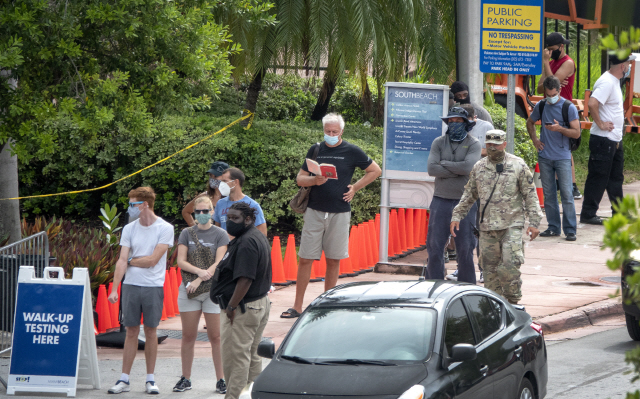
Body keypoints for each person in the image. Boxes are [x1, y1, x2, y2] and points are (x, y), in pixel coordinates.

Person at [280, 113, 381, 318]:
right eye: (328, 132)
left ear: (342, 131)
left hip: (340, 212)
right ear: (324, 130)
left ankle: (327, 304)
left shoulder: (352, 150)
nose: (331, 135)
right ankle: (297, 306)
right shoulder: (316, 149)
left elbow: (375, 170)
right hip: (315, 210)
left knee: (334, 259)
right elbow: (300, 179)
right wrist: (314, 181)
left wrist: (355, 188)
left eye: (335, 132)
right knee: (306, 257)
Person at [450, 130, 543, 304]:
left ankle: (513, 302)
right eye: (489, 144)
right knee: (489, 270)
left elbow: (530, 195)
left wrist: (534, 222)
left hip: (511, 225)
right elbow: (469, 194)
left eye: (496, 144)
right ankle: (494, 305)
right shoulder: (479, 167)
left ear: (504, 144)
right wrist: (457, 215)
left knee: (509, 265)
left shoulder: (518, 166)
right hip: (487, 228)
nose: (493, 148)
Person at [107, 187, 174, 394]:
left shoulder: (165, 228)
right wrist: (114, 288)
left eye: (133, 204)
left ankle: (150, 379)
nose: (130, 208)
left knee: (151, 331)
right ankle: (124, 379)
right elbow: (121, 260)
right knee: (131, 331)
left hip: (153, 286)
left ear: (145, 204)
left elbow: (153, 261)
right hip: (131, 286)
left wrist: (130, 260)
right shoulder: (129, 228)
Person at [209, 202, 272, 399]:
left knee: (236, 359)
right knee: (252, 357)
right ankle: (253, 395)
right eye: (228, 218)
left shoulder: (246, 243)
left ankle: (234, 396)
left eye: (235, 218)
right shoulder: (255, 236)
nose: (229, 222)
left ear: (248, 219)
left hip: (243, 309)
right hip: (257, 305)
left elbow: (245, 279)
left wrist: (231, 306)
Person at [173, 196, 229, 394]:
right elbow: (181, 260)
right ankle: (185, 378)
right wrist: (198, 273)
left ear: (212, 212)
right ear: (194, 213)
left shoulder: (220, 234)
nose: (202, 215)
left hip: (212, 290)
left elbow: (219, 262)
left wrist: (201, 278)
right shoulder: (186, 233)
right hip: (189, 290)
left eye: (206, 211)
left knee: (216, 336)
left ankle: (221, 379)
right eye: (199, 212)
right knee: (188, 336)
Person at [425, 107, 481, 284]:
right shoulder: (438, 142)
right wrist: (457, 168)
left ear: (466, 123)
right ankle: (433, 285)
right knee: (434, 246)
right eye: (451, 121)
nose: (454, 124)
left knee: (465, 248)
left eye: (458, 121)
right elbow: (432, 169)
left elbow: (468, 168)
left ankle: (467, 287)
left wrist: (444, 164)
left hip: (466, 202)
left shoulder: (474, 144)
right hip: (440, 200)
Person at [580, 53, 635, 225]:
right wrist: (601, 123)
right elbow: (592, 103)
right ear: (622, 66)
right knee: (598, 177)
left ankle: (619, 213)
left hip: (614, 140)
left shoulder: (614, 81)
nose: (629, 68)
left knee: (615, 178)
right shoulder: (606, 82)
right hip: (603, 140)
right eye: (628, 65)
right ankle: (588, 214)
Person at [527, 76, 581, 241]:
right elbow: (530, 122)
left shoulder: (568, 107)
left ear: (558, 91)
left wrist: (560, 129)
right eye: (548, 94)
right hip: (545, 156)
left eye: (553, 94)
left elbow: (576, 132)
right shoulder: (542, 105)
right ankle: (553, 227)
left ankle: (570, 229)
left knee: (566, 193)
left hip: (562, 157)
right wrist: (535, 140)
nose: (550, 97)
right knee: (549, 194)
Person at [445, 103, 493, 283]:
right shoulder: (453, 132)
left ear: (473, 118)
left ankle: (483, 269)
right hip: (463, 185)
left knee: (481, 228)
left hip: (482, 183)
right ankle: (462, 267)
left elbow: (491, 150)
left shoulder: (486, 127)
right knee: (462, 229)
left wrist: (473, 151)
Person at [537, 32, 582, 200]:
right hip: (549, 108)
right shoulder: (552, 63)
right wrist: (550, 74)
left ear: (561, 47)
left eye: (552, 49)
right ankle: (558, 182)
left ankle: (572, 185)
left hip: (563, 108)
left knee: (565, 146)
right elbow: (541, 88)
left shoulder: (568, 63)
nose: (549, 53)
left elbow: (552, 85)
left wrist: (546, 65)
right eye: (547, 50)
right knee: (550, 144)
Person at [213, 167, 268, 236]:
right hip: (224, 246)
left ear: (236, 182)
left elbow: (262, 233)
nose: (221, 184)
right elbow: (217, 230)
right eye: (221, 181)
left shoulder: (252, 205)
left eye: (225, 181)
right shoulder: (220, 203)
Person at [182, 161, 229, 227]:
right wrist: (196, 231)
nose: (212, 179)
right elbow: (186, 212)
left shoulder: (232, 197)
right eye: (210, 175)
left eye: (215, 176)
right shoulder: (204, 196)